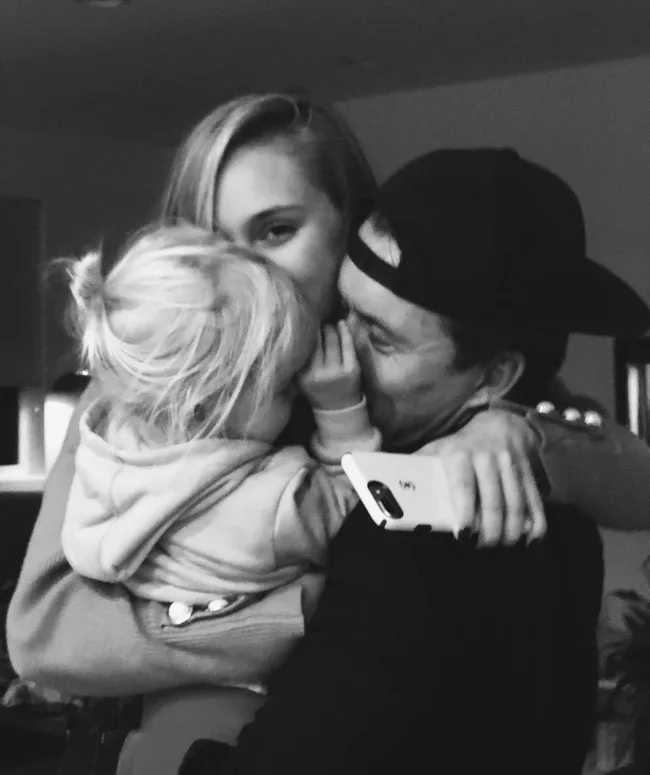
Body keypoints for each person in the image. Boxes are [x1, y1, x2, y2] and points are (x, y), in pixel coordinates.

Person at [7, 94, 650, 774]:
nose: (243, 268)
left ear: (354, 225)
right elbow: (46, 633)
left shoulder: (416, 366)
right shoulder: (150, 391)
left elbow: (632, 474)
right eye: (212, 240)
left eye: (276, 230)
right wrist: (302, 607)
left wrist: (516, 432)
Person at [180, 147, 650, 775]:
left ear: (495, 376)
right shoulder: (563, 521)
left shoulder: (414, 527)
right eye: (343, 310)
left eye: (382, 339)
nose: (338, 349)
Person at [59, 223, 379, 684]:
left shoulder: (105, 443)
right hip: (256, 690)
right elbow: (358, 508)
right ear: (205, 406)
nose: (301, 393)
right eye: (285, 387)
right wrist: (341, 412)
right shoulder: (276, 506)